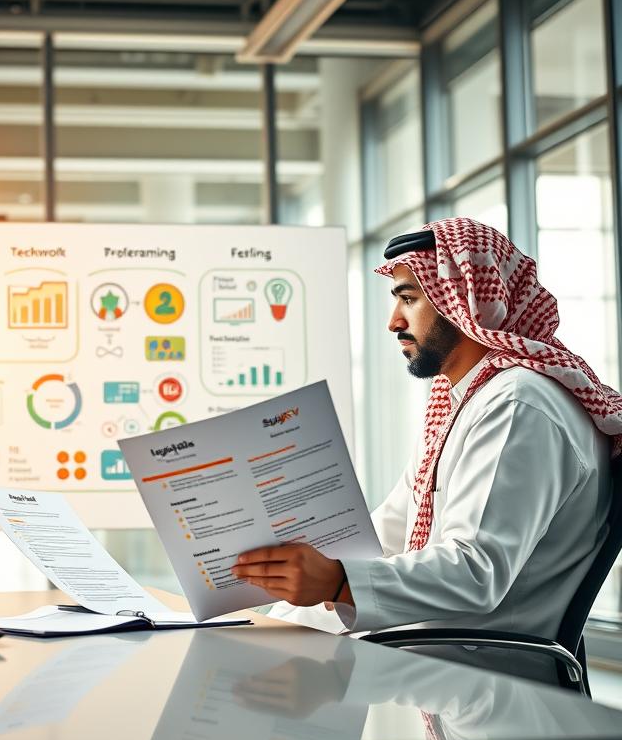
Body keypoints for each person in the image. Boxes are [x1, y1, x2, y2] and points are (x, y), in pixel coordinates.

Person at [232, 217, 622, 638]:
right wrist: (266, 620)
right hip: (425, 654)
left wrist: (336, 582)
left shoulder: (518, 403)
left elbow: (477, 571)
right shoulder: (463, 403)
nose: (394, 322)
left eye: (409, 299)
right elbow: (384, 538)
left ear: (467, 301)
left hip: (482, 676)